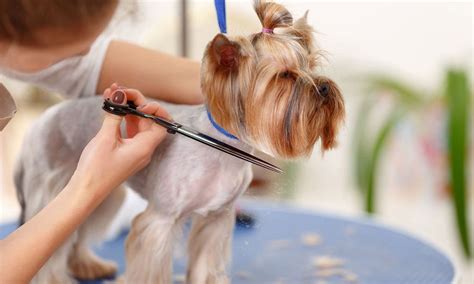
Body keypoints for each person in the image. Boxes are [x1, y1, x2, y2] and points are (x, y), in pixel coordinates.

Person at [0, 0, 202, 282]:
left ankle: (74, 254)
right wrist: (87, 187)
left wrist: (235, 82)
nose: (86, 51)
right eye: (73, 49)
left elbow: (90, 65)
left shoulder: (22, 37)